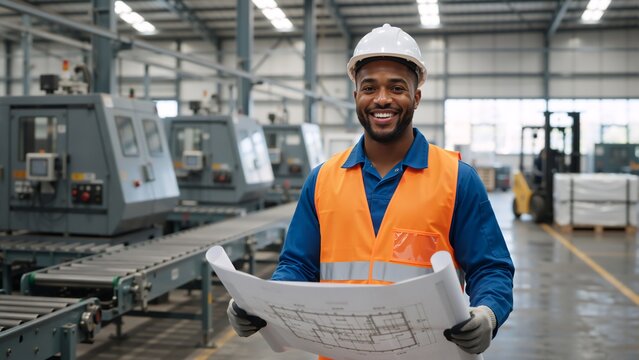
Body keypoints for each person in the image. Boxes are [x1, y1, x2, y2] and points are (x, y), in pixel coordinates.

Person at [227, 23, 514, 358]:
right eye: (369, 88)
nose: (382, 99)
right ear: (356, 97)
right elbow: (297, 266)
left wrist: (488, 314)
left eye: (396, 88)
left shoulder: (457, 179)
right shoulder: (322, 180)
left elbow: (490, 268)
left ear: (416, 97)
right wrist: (257, 305)